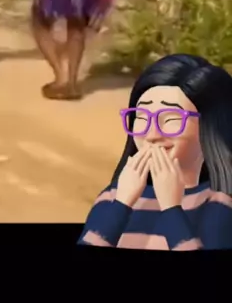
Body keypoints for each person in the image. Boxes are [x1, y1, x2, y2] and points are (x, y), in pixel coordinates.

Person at [78, 53, 232, 249]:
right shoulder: (113, 197)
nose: (151, 135)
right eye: (142, 117)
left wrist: (171, 208)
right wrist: (121, 205)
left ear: (210, 127)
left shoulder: (219, 205)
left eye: (171, 119)